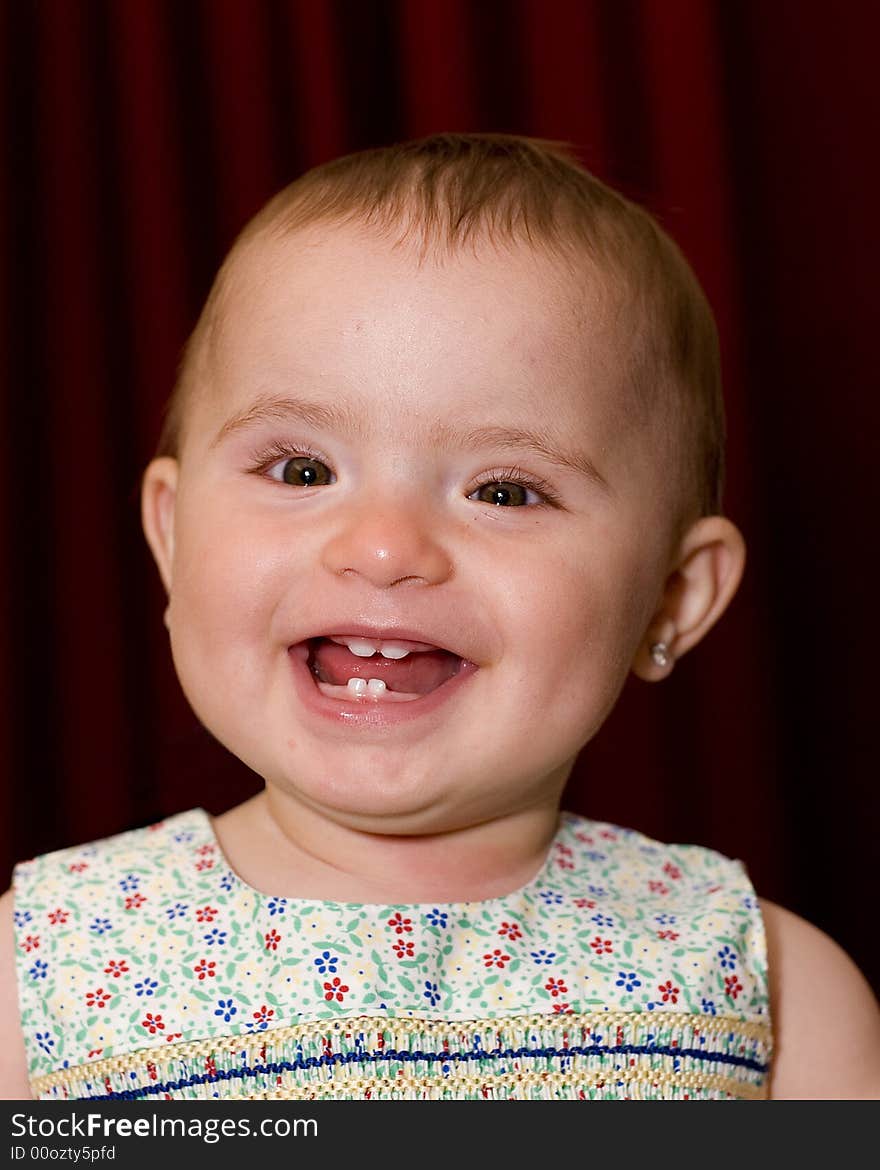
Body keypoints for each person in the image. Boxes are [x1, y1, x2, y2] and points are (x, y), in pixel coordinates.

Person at [1, 134, 877, 1101]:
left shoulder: (772, 993)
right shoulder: (44, 972)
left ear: (674, 595)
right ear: (171, 534)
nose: (382, 548)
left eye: (505, 491)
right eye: (302, 471)